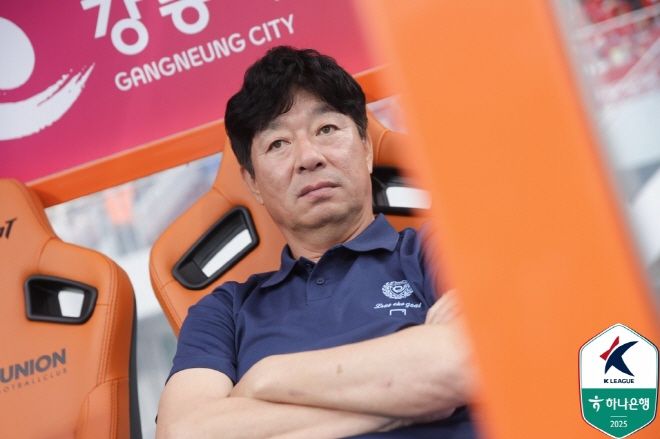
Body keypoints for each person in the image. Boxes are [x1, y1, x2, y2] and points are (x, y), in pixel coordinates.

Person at [156, 46, 476, 438]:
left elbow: (464, 362)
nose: (308, 157)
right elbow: (185, 433)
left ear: (366, 149)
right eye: (278, 144)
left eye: (326, 129)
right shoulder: (224, 312)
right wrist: (411, 397)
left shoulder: (436, 249)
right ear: (253, 183)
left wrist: (264, 378)